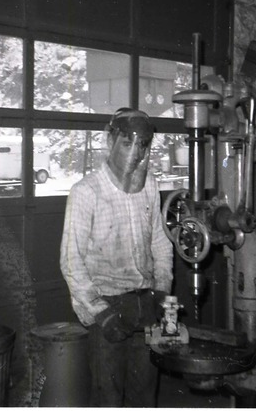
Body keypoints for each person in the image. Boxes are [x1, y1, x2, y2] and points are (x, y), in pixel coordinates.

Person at [60, 108, 173, 407]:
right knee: (108, 396)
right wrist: (101, 312)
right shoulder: (86, 192)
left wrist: (162, 288)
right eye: (127, 143)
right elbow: (71, 261)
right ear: (111, 140)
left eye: (143, 145)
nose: (136, 153)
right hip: (108, 306)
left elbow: (160, 240)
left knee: (144, 393)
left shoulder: (149, 185)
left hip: (146, 304)